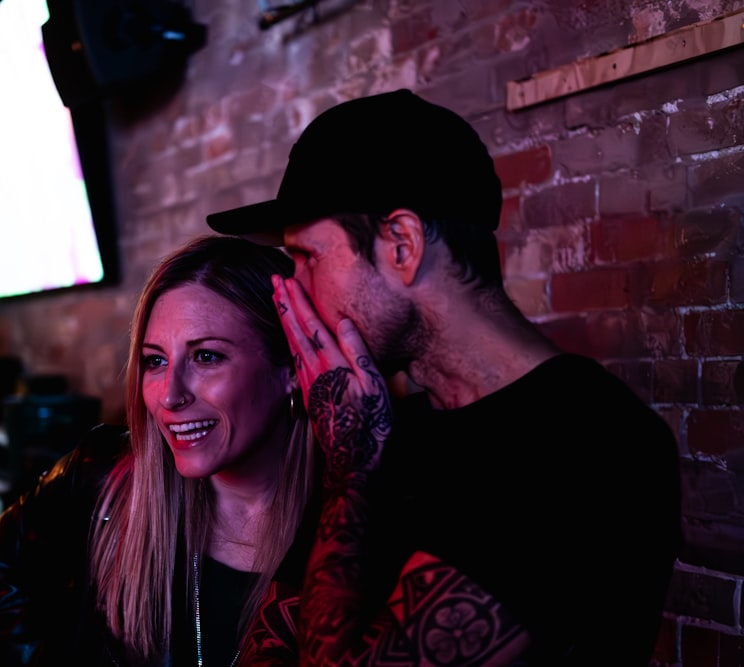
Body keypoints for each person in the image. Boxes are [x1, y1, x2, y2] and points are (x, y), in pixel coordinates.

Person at [207, 89, 684, 666]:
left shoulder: (589, 441)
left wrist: (353, 471)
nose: (293, 292)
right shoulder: (384, 428)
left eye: (309, 257)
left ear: (402, 246)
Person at [0, 235, 320, 666]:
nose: (170, 396)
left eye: (207, 356)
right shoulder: (103, 475)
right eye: (155, 361)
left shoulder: (357, 523)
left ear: (291, 368)